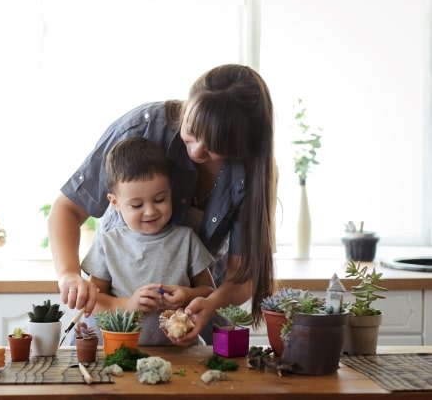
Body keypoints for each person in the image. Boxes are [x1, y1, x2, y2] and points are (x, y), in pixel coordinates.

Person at [48, 63, 276, 346]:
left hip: (189, 325)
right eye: (191, 131)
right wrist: (69, 275)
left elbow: (242, 277)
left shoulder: (252, 174)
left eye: (215, 146)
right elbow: (67, 210)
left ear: (245, 146)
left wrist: (207, 303)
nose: (195, 151)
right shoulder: (142, 128)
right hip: (114, 334)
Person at [81, 137, 215, 345]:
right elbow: (94, 302)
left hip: (180, 355)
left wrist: (186, 295)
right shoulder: (107, 244)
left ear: (171, 192)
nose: (150, 211)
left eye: (160, 199)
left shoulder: (186, 240)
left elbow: (209, 292)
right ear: (115, 203)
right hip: (121, 351)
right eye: (136, 205)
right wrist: (130, 304)